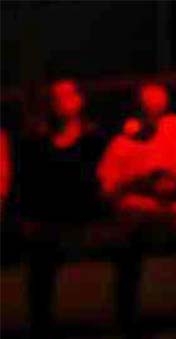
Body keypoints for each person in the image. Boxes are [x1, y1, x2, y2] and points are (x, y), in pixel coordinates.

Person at [97, 82, 176, 236]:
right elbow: (106, 190)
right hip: (136, 216)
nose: (151, 117)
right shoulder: (121, 144)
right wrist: (137, 180)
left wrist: (175, 179)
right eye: (145, 110)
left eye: (157, 110)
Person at [17, 78, 106, 237]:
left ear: (80, 99)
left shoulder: (94, 139)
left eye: (66, 95)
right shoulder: (38, 142)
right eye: (55, 97)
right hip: (48, 221)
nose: (60, 102)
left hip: (86, 217)